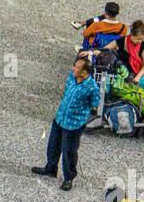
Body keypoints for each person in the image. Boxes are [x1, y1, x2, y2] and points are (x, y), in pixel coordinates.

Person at [31, 56, 100, 191]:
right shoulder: (72, 77)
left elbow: (95, 103)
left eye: (77, 68)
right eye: (74, 66)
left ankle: (69, 178)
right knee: (53, 145)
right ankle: (51, 168)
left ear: (84, 73)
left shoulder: (91, 87)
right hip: (60, 118)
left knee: (69, 152)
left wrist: (82, 113)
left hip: (74, 125)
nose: (73, 69)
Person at [103, 20, 144, 96]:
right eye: (138, 38)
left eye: (142, 39)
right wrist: (90, 52)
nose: (140, 41)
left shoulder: (143, 46)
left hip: (138, 72)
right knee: (108, 85)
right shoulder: (121, 41)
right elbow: (104, 49)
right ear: (131, 35)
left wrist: (138, 77)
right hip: (122, 72)